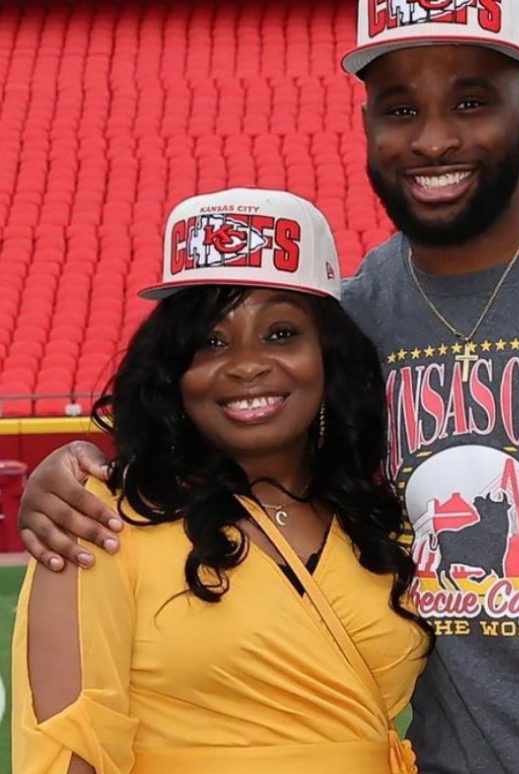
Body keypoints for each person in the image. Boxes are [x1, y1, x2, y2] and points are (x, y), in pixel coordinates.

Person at [17, 0, 519, 771]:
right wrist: (71, 465)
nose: (435, 138)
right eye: (400, 108)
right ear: (369, 126)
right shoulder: (357, 316)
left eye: (471, 102)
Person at [12, 187, 430, 773]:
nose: (246, 363)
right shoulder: (96, 513)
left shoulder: (383, 513)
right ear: (175, 370)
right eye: (211, 340)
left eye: (281, 333)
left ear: (328, 356)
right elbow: (70, 745)